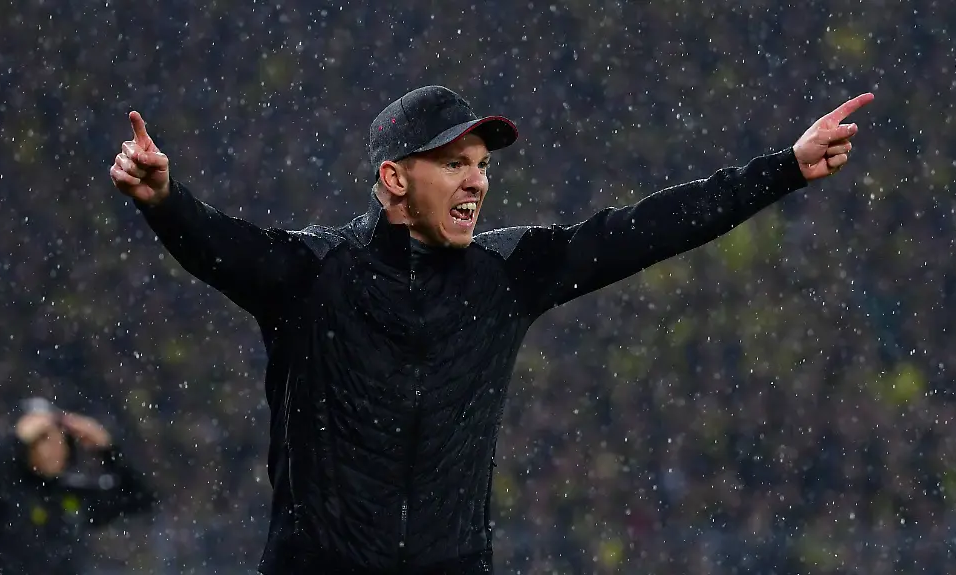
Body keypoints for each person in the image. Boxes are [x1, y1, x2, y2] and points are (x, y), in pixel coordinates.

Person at [110, 85, 873, 574]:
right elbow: (221, 245)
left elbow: (643, 229)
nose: (476, 179)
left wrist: (783, 167)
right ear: (394, 179)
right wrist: (166, 201)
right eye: (454, 163)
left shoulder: (505, 272)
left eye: (481, 164)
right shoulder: (316, 273)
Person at [0, 398, 157, 575]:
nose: (54, 447)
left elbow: (140, 497)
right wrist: (15, 441)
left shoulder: (71, 494)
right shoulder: (2, 495)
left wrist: (108, 449)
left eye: (60, 438)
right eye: (42, 438)